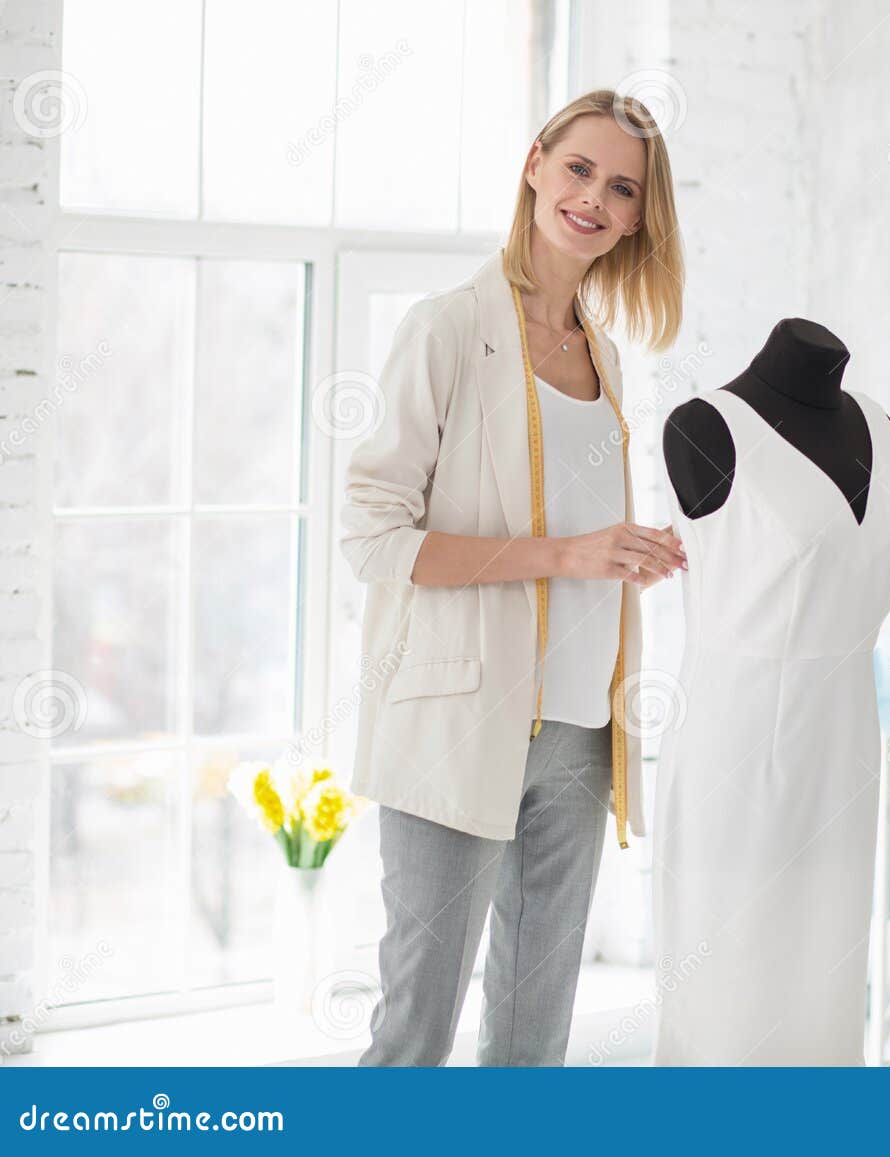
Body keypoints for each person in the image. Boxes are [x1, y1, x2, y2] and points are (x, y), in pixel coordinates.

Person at [341, 89, 686, 1066]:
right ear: (535, 163)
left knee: (533, 1041)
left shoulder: (607, 357)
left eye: (622, 188)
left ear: (635, 218)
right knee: (414, 1031)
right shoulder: (446, 329)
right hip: (457, 718)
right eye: (579, 168)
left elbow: (569, 534)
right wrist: (565, 556)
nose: (594, 199)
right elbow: (374, 536)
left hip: (581, 729)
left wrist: (621, 558)